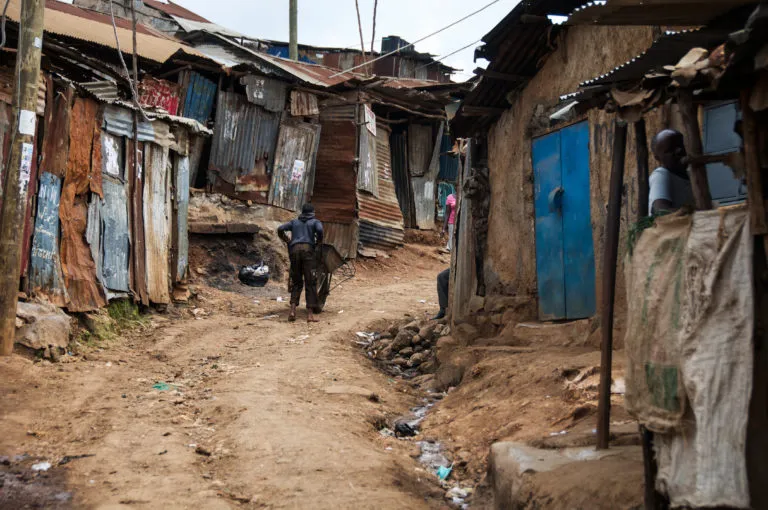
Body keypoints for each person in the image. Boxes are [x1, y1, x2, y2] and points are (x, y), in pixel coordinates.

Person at [277, 203, 324, 322]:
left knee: (297, 281)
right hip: (308, 251)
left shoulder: (294, 222)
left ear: (302, 212)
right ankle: (309, 315)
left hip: (294, 251)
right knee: (310, 281)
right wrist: (318, 241)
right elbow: (320, 230)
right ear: (312, 213)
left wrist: (287, 240)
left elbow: (280, 229)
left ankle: (292, 311)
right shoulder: (315, 222)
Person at [649, 129, 695, 215]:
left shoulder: (691, 174)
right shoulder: (661, 175)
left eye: (681, 146)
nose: (679, 151)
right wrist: (695, 213)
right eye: (670, 150)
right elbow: (661, 211)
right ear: (658, 158)